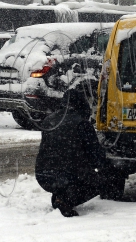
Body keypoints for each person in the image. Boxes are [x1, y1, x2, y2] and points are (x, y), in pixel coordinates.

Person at [35, 85, 119, 217]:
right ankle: (67, 200)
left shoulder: (49, 120)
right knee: (103, 180)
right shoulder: (82, 124)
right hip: (68, 174)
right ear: (81, 104)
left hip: (43, 175)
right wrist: (107, 167)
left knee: (66, 173)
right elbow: (95, 156)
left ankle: (60, 195)